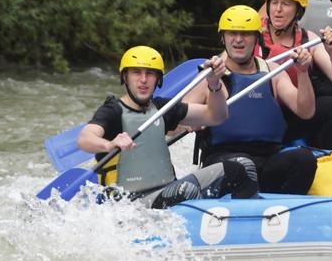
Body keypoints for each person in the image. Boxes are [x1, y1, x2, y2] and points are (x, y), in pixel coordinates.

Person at [77, 46, 257, 208]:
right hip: (130, 203)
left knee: (242, 167)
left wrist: (214, 84)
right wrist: (108, 145)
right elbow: (85, 138)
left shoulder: (163, 108)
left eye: (150, 73)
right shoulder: (112, 111)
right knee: (186, 190)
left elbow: (216, 116)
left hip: (167, 189)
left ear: (158, 79)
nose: (143, 80)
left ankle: (242, 226)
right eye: (136, 73)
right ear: (125, 77)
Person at [184, 5, 318, 195]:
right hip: (224, 161)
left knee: (304, 159)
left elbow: (306, 111)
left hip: (267, 158)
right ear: (223, 38)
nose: (238, 40)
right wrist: (194, 120)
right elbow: (178, 120)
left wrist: (303, 73)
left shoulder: (272, 72)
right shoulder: (211, 76)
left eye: (245, 34)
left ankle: (282, 209)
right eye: (232, 33)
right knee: (242, 166)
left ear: (256, 38)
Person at [261, 0, 332, 150]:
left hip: (294, 112)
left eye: (286, 4)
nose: (278, 9)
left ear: (298, 11)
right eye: (274, 3)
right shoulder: (252, 37)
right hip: (260, 113)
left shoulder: (308, 39)